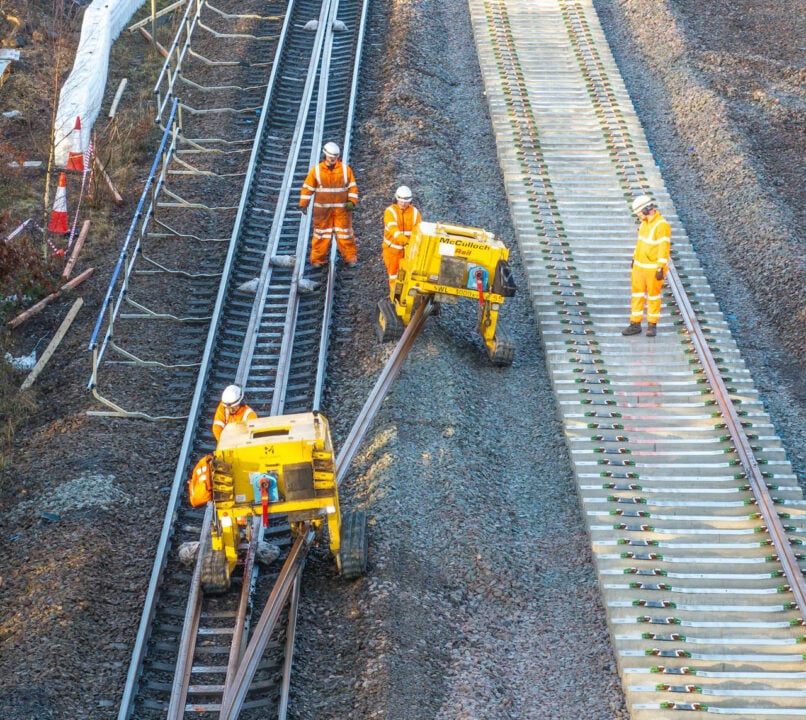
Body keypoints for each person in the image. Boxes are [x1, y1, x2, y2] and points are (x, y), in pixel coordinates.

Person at [299, 142, 359, 267]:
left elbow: (352, 187)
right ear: (325, 155)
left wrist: (352, 202)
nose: (333, 159)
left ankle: (350, 258)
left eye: (335, 157)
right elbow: (308, 188)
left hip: (341, 210)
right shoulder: (316, 171)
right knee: (321, 235)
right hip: (322, 211)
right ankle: (317, 260)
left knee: (345, 234)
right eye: (331, 156)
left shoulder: (345, 170)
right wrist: (303, 204)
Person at [622, 195, 671, 337]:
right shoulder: (644, 224)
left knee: (653, 297)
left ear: (645, 210)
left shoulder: (661, 226)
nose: (639, 217)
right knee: (637, 295)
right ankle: (635, 324)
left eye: (639, 213)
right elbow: (640, 243)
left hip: (652, 269)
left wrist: (660, 267)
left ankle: (652, 324)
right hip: (639, 267)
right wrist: (634, 257)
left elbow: (664, 248)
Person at [382, 185, 421, 292]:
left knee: (409, 275)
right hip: (392, 251)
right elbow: (394, 231)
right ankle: (395, 297)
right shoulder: (390, 212)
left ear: (410, 201)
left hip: (408, 251)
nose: (403, 203)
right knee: (394, 275)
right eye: (401, 200)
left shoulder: (415, 213)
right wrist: (407, 242)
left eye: (406, 201)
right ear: (396, 199)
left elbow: (419, 231)